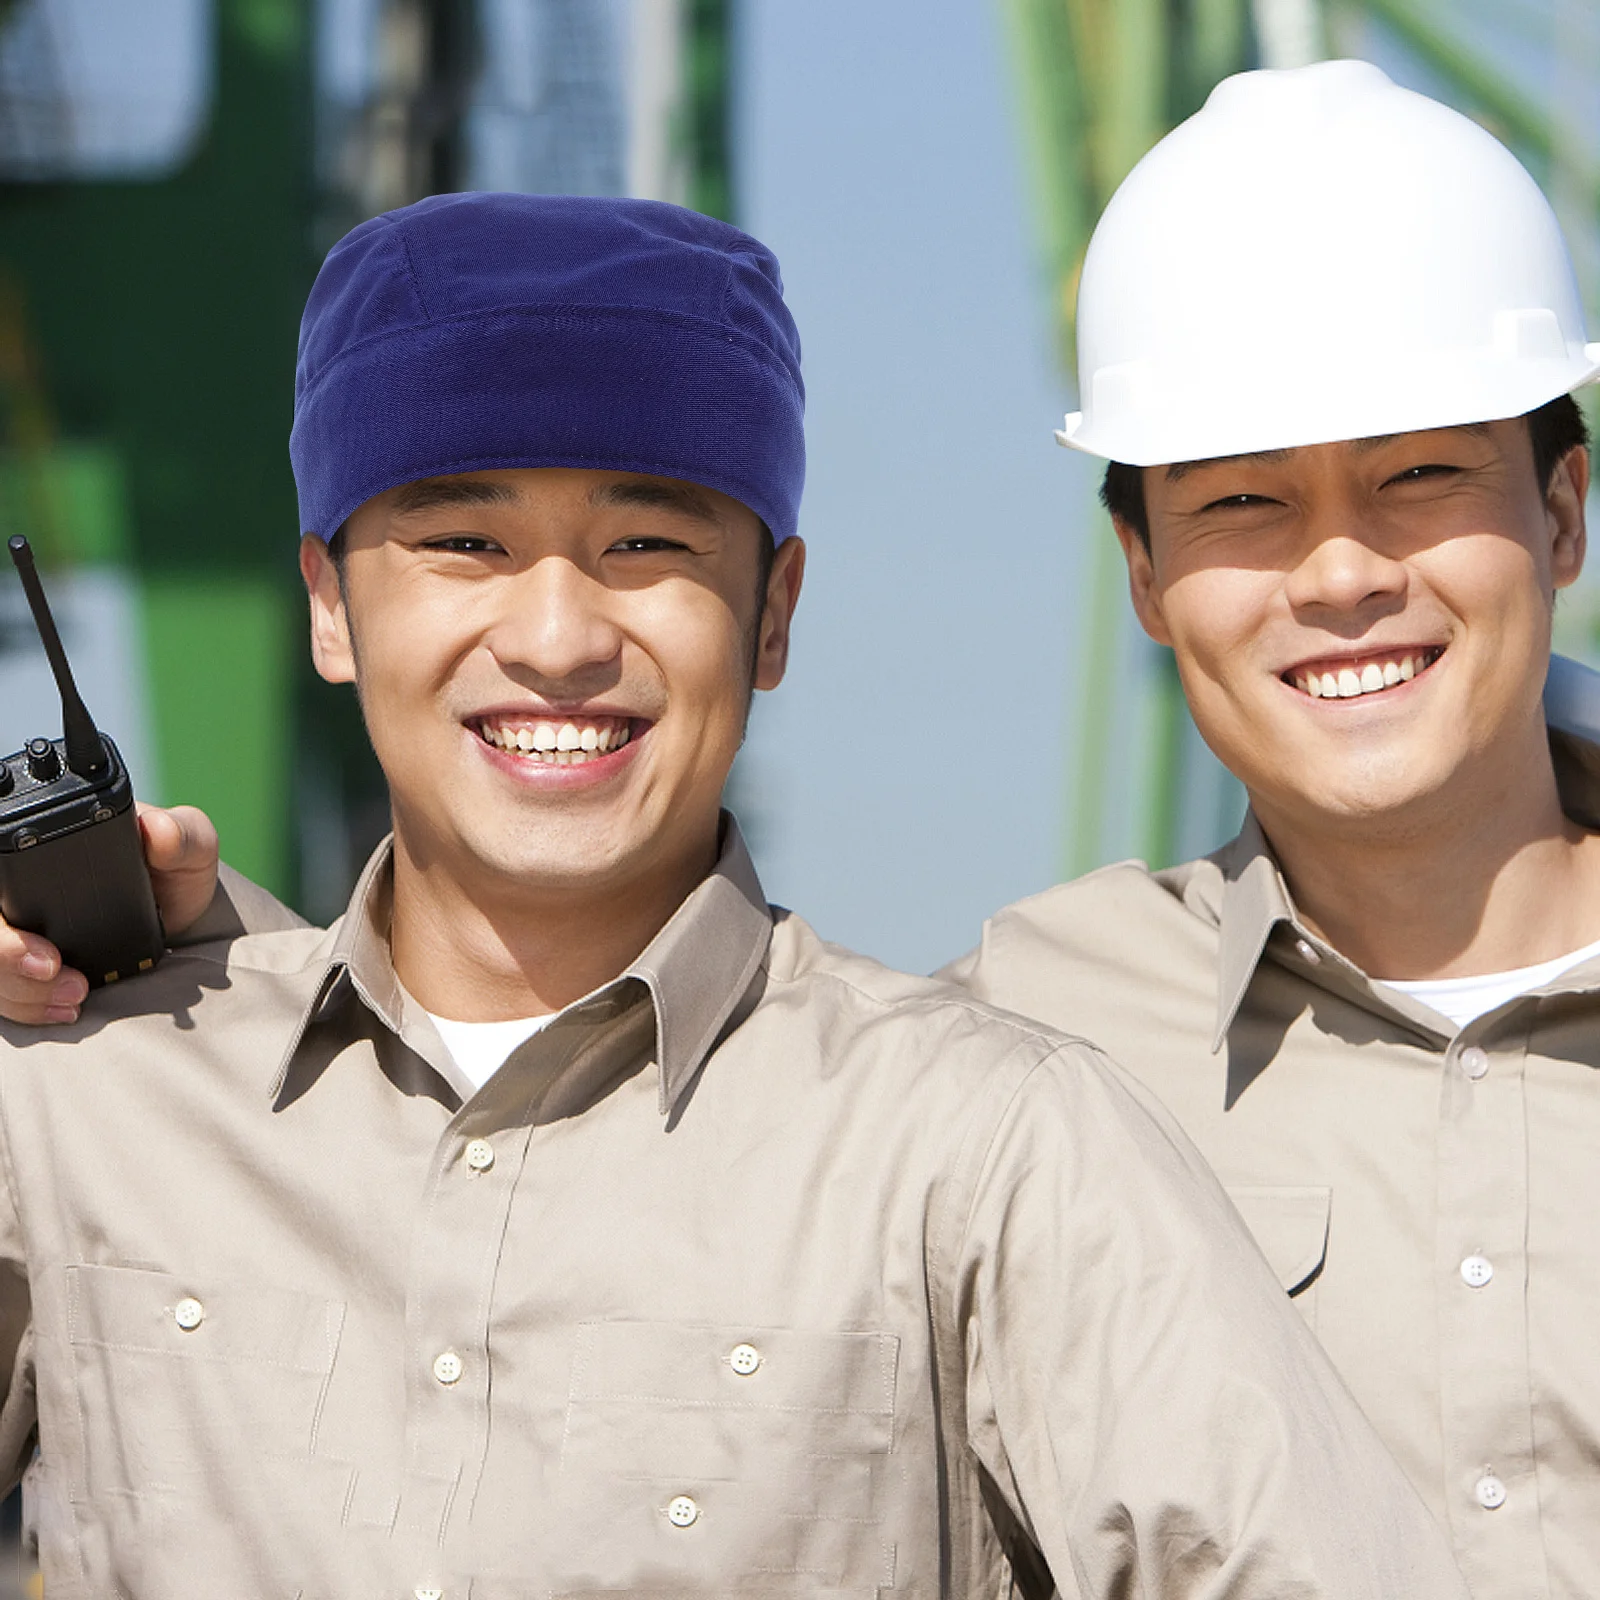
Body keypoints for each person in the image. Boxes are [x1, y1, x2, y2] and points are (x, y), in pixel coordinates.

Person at [0, 191, 1463, 1597]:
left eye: (649, 546)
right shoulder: (77, 1096)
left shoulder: (992, 1155)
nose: (560, 635)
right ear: (329, 604)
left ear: (773, 616)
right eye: (466, 543)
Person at [944, 60, 1600, 1600]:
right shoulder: (1020, 1044)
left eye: (1421, 474)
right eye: (1245, 502)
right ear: (1145, 571)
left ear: (1562, 514)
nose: (1342, 573)